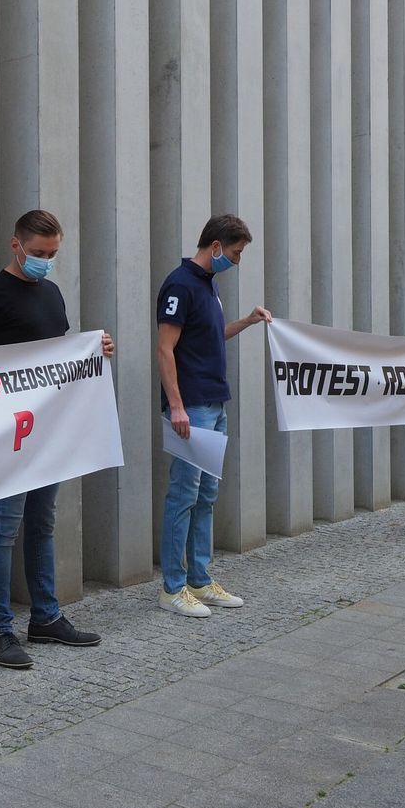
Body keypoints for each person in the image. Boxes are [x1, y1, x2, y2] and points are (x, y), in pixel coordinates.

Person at [0, 209, 113, 670]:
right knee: (4, 526)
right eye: (40, 253)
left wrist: (96, 352)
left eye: (53, 254)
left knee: (43, 522)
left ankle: (45, 617)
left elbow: (61, 356)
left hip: (47, 433)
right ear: (16, 245)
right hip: (9, 433)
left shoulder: (51, 292)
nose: (46, 261)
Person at [156, 214, 271, 617]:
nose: (238, 261)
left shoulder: (208, 285)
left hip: (214, 404)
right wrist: (176, 406)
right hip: (192, 408)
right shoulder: (180, 284)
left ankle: (200, 581)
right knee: (184, 494)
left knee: (206, 495)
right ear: (216, 246)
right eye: (236, 253)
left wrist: (247, 322)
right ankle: (172, 587)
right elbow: (165, 348)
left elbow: (209, 335)